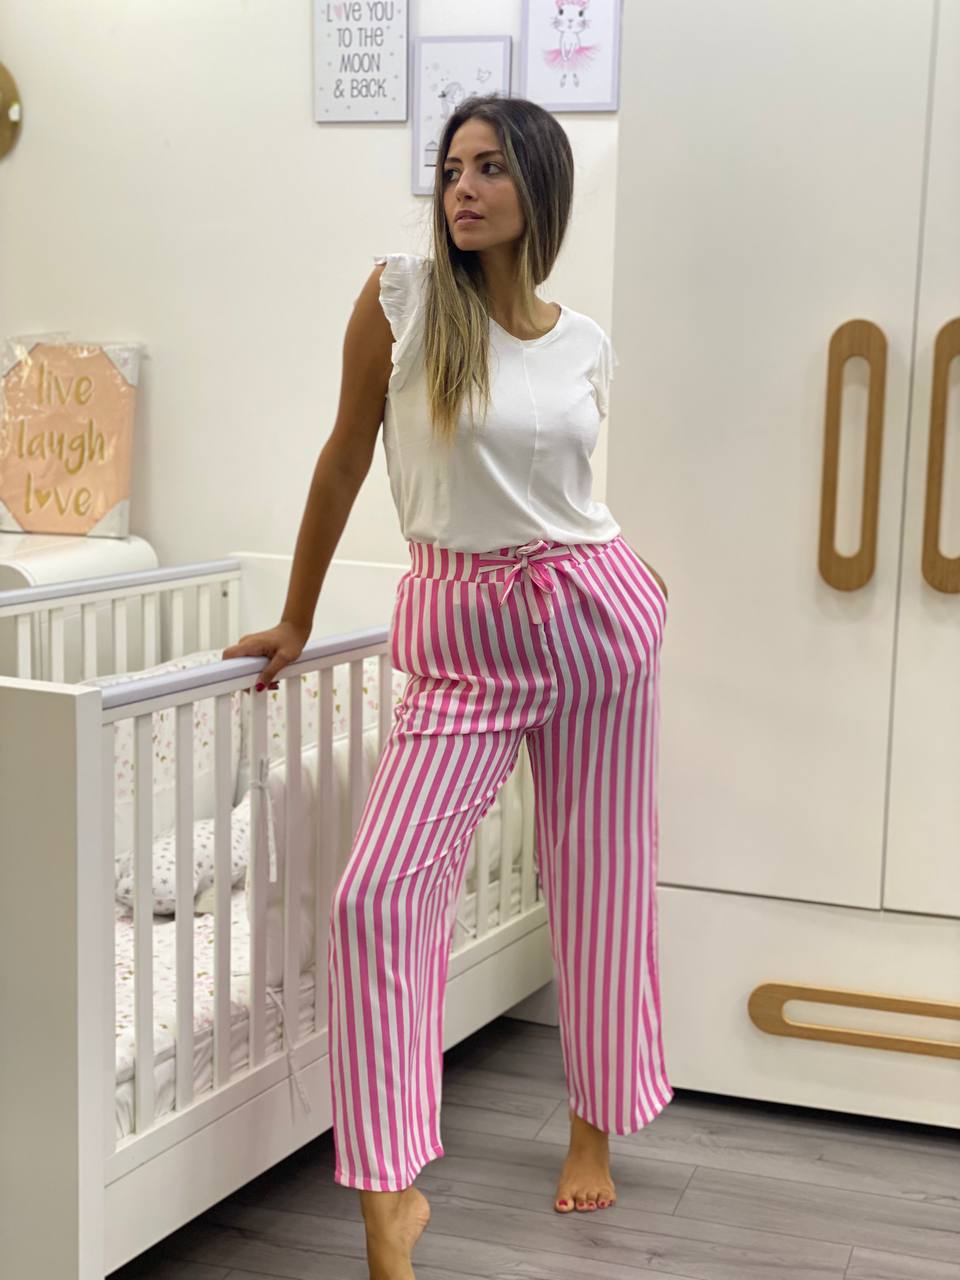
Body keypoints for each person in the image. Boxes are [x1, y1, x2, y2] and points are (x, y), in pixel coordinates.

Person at [224, 93, 672, 1280]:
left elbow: (570, 492)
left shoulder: (585, 343)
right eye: (451, 167)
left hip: (594, 624)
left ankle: (593, 1126)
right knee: (377, 898)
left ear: (540, 187)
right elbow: (341, 458)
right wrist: (298, 613)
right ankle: (389, 1195)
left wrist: (626, 579)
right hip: (464, 637)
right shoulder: (401, 302)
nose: (462, 187)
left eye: (489, 168)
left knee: (604, 882)